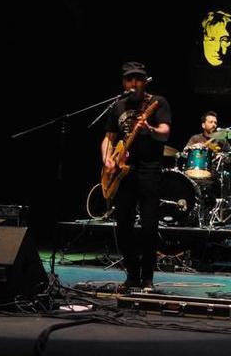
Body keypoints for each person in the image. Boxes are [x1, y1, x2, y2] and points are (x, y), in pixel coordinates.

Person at [101, 61, 171, 290]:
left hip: (149, 171)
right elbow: (109, 138)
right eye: (130, 79)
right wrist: (107, 159)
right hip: (123, 174)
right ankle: (131, 275)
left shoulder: (157, 102)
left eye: (139, 78)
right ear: (124, 82)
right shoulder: (117, 106)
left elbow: (165, 133)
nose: (134, 83)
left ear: (145, 81)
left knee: (149, 226)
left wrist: (149, 129)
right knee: (123, 225)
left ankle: (147, 277)